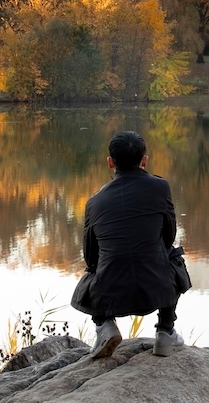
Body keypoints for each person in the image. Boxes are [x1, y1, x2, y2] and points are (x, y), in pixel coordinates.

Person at [78, 130, 183, 358]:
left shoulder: (94, 202)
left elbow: (90, 256)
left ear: (110, 163)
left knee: (91, 272)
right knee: (173, 257)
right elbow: (169, 235)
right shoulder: (161, 188)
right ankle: (165, 331)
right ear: (144, 160)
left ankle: (105, 325)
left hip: (111, 293)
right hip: (157, 287)